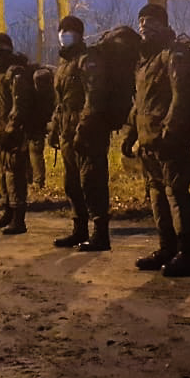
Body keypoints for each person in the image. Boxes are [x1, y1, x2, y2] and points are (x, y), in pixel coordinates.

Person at [122, 4, 190, 275]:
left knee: (177, 195)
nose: (144, 25)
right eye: (141, 20)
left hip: (170, 140)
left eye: (150, 20)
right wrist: (129, 134)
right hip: (148, 141)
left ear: (163, 24)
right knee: (157, 196)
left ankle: (188, 256)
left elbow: (183, 96)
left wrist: (171, 132)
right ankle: (166, 248)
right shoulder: (145, 61)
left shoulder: (174, 53)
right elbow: (140, 103)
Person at [50, 15, 115, 251]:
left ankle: (101, 233)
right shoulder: (64, 64)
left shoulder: (89, 60)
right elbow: (60, 103)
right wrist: (54, 130)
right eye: (62, 30)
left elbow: (94, 97)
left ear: (79, 34)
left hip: (89, 133)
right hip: (67, 132)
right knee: (72, 183)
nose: (65, 34)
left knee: (92, 181)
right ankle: (79, 230)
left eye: (70, 31)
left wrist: (83, 129)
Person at [0, 33, 35, 235]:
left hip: (12, 135)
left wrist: (11, 129)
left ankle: (18, 218)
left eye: (2, 47)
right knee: (2, 174)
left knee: (15, 175)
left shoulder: (15, 72)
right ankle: (7, 212)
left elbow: (20, 103)